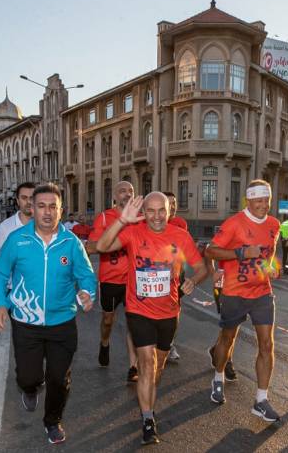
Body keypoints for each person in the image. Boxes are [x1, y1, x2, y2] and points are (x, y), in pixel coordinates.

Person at [0, 183, 96, 445]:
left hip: (62, 322)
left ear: (61, 211)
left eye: (53, 207)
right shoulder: (17, 239)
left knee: (59, 379)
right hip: (26, 322)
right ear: (31, 209)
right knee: (29, 376)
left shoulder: (71, 243)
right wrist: (0, 304)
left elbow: (86, 274)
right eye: (41, 206)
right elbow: (0, 272)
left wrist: (87, 293)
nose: (47, 212)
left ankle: (52, 421)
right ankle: (29, 387)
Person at [97, 192, 207, 445]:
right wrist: (122, 221)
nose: (156, 217)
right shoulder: (134, 232)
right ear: (144, 212)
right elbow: (102, 247)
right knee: (146, 364)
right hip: (138, 309)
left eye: (162, 211)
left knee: (157, 369)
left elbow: (201, 267)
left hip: (169, 311)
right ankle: (148, 418)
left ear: (169, 211)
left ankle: (148, 400)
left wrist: (192, 280)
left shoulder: (180, 236)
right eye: (151, 211)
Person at [206, 179, 281, 422]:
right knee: (227, 338)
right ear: (248, 200)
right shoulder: (234, 223)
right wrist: (240, 252)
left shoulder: (274, 224)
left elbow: (270, 253)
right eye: (258, 200)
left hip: (261, 292)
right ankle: (218, 377)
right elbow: (211, 250)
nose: (263, 205)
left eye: (266, 200)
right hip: (234, 291)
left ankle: (261, 400)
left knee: (267, 345)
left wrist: (272, 268)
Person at [86, 181, 138, 381]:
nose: (127, 194)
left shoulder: (139, 218)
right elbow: (92, 247)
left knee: (133, 323)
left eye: (131, 191)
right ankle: (104, 343)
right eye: (123, 191)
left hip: (133, 281)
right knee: (108, 320)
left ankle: (133, 367)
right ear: (114, 197)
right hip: (110, 280)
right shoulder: (105, 217)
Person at [206, 249, 238, 382]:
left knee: (233, 324)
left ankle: (217, 350)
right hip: (223, 282)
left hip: (243, 284)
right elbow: (209, 251)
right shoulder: (228, 231)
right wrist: (213, 272)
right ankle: (227, 360)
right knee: (230, 323)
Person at [163, 191, 187, 361]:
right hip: (156, 272)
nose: (172, 206)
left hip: (177, 272)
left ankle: (170, 344)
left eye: (175, 203)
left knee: (175, 309)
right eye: (169, 203)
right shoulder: (153, 222)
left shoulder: (181, 223)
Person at [0, 182, 36, 261]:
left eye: (32, 198)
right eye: (24, 198)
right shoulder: (5, 228)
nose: (28, 202)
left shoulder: (46, 225)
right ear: (18, 201)